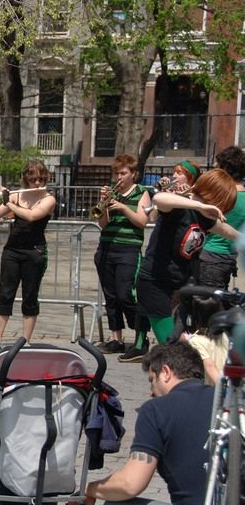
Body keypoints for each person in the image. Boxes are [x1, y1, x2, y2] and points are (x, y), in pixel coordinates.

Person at [66, 342, 212, 505]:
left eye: (152, 380)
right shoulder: (229, 400)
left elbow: (130, 484)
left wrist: (88, 488)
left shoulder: (157, 410)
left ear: (166, 372)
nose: (151, 392)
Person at [128, 168, 240, 361]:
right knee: (175, 349)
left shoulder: (205, 219)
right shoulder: (179, 209)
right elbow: (159, 199)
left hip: (179, 289)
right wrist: (199, 206)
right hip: (155, 285)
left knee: (185, 350)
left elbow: (228, 231)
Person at [0, 160, 56, 355]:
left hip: (34, 251)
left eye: (41, 178)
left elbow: (32, 216)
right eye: (33, 179)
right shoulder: (16, 196)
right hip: (12, 251)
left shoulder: (49, 199)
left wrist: (9, 203)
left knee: (30, 295)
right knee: (5, 293)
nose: (37, 182)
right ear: (26, 179)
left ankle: (25, 340)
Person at [93, 154, 152, 355]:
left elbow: (142, 221)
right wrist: (104, 204)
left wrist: (123, 207)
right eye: (117, 173)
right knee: (110, 296)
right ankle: (115, 338)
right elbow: (102, 224)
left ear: (133, 174)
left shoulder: (142, 192)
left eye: (124, 173)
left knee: (126, 294)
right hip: (107, 247)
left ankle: (140, 338)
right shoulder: (112, 193)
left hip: (128, 250)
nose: (119, 176)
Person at [197, 146, 245, 288]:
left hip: (209, 256)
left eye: (217, 166)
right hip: (230, 256)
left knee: (207, 305)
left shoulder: (218, 195)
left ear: (225, 168)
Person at [184, 296, 228, 385]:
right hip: (233, 383)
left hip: (215, 389)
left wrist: (222, 390)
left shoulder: (196, 341)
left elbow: (209, 366)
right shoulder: (227, 332)